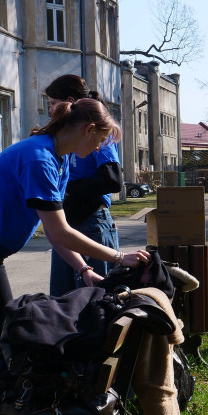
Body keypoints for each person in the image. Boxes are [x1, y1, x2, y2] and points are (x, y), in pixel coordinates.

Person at [0, 98, 150, 415]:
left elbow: (54, 226)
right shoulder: (39, 157)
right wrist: (118, 255)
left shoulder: (58, 157)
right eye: (101, 141)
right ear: (89, 130)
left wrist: (84, 269)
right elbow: (60, 232)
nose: (100, 149)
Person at [45, 76, 124, 296]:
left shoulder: (98, 134)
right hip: (67, 223)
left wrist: (69, 188)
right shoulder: (63, 138)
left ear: (69, 101)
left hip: (92, 224)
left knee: (95, 301)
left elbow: (113, 180)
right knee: (62, 299)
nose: (50, 110)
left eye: (53, 103)